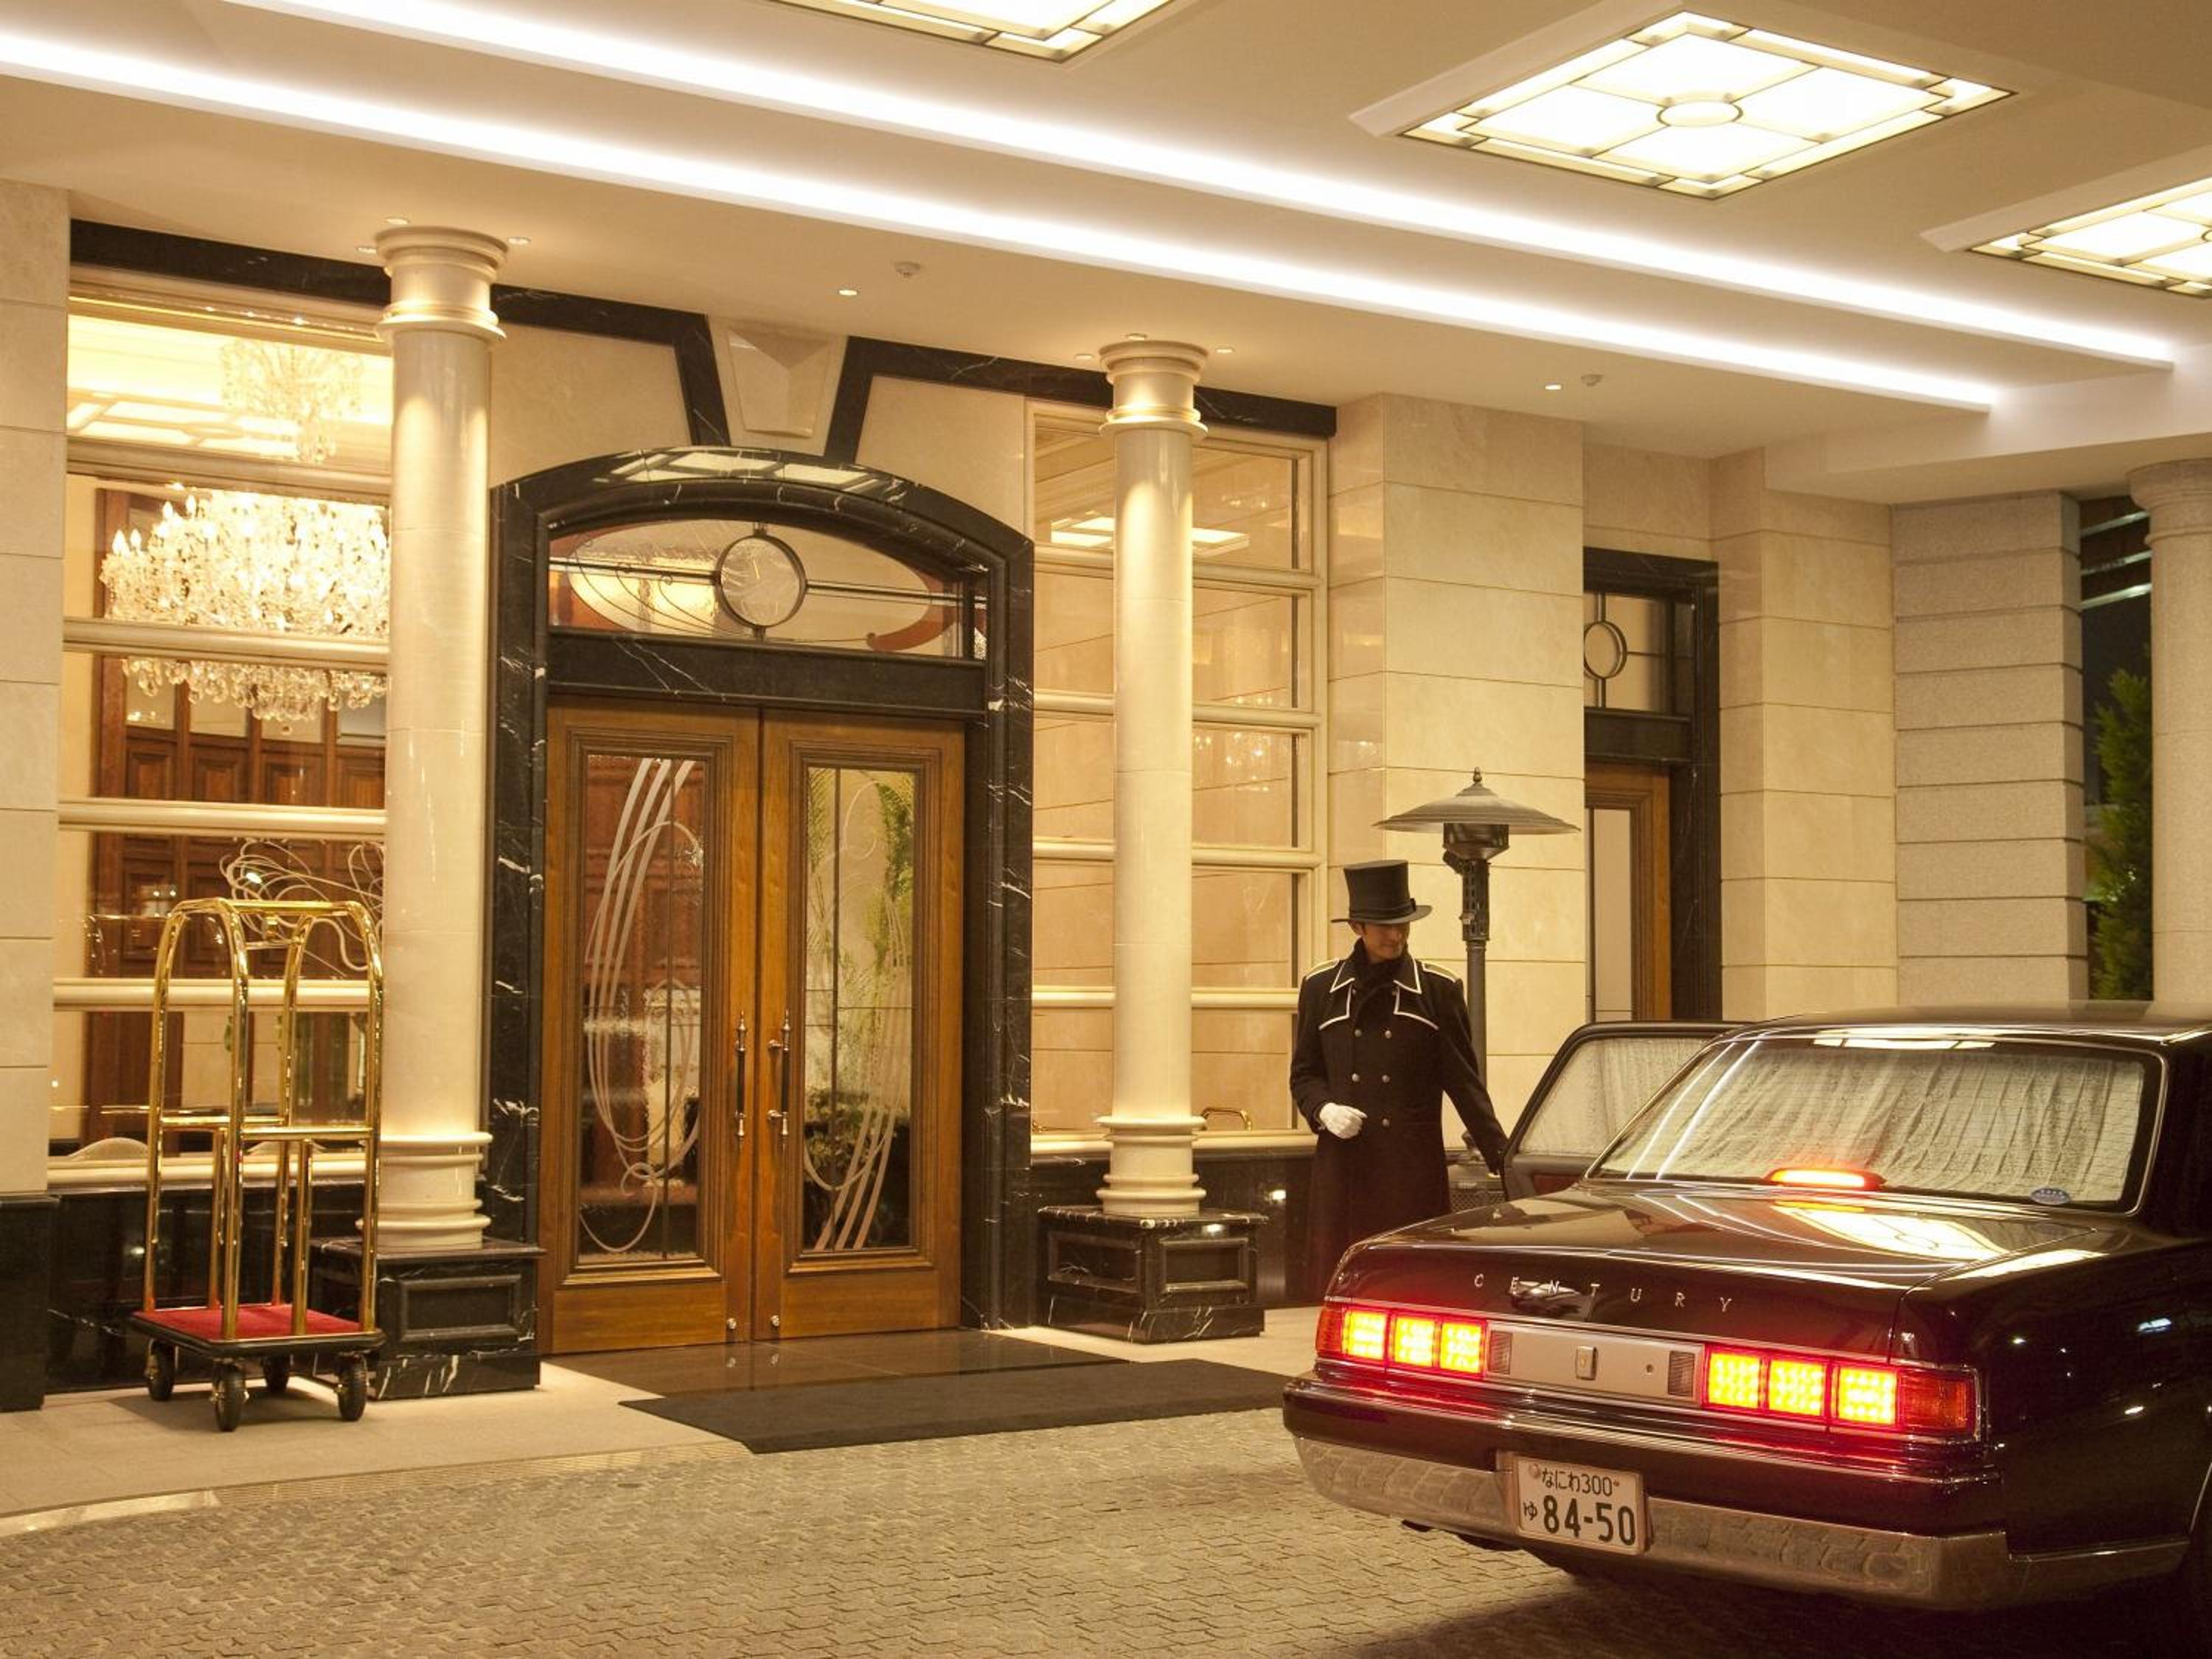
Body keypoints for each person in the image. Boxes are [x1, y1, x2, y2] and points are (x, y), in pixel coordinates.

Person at [1290, 859, 1508, 1293]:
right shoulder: (1321, 987)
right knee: (1344, 1291)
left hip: (1408, 1174)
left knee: (1410, 1289)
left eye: (1403, 925)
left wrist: (1505, 1161)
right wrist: (1324, 1110)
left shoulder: (1438, 990)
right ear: (1358, 927)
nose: (1396, 936)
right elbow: (1304, 1074)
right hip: (1343, 1170)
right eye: (1384, 927)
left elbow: (1465, 1086)